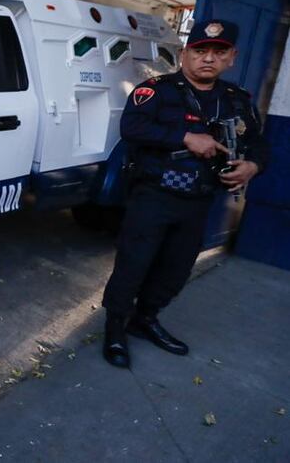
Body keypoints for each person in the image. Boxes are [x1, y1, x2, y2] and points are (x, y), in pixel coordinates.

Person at [101, 19, 269, 368]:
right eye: (200, 51)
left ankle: (144, 319)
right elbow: (131, 128)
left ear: (231, 58)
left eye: (218, 53)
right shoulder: (156, 91)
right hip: (154, 196)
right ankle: (115, 325)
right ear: (184, 54)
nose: (208, 59)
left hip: (199, 201)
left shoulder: (237, 101)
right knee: (134, 263)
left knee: (175, 270)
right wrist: (184, 137)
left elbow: (259, 146)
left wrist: (252, 166)